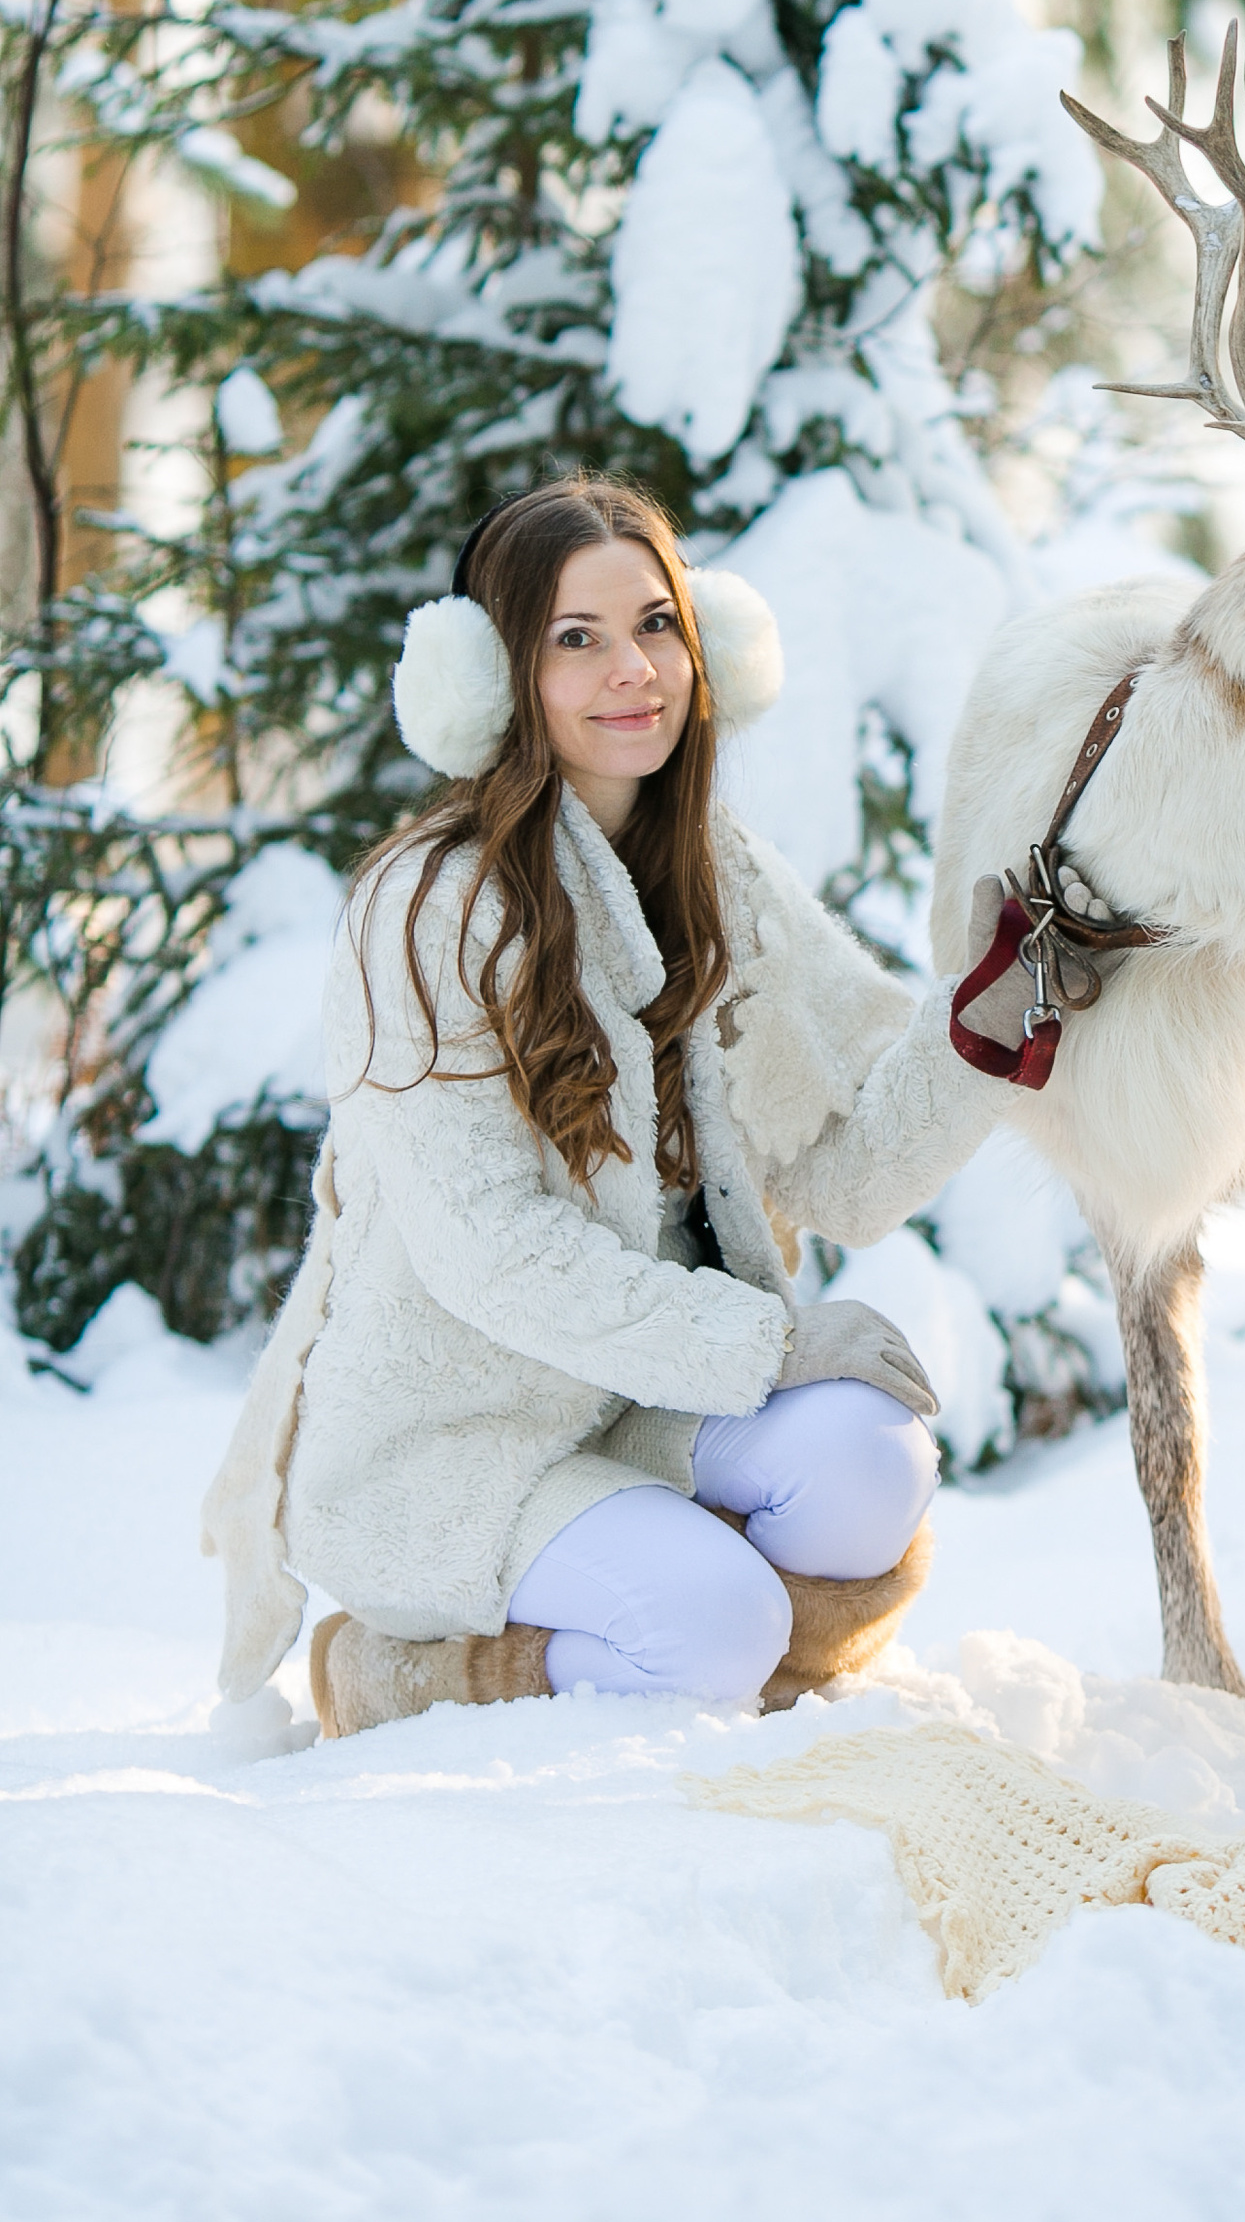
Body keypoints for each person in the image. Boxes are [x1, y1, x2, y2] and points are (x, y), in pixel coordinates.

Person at [203, 473, 1009, 1740]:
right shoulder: (427, 909)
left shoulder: (717, 873)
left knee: (869, 1463)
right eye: (574, 639)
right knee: (714, 1628)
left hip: (636, 1407)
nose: (633, 670)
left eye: (656, 625)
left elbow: (847, 1172)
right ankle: (395, 1670)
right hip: (454, 1444)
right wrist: (769, 1348)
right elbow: (493, 1255)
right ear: (494, 679)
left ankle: (682, 1632)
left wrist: (994, 1016)